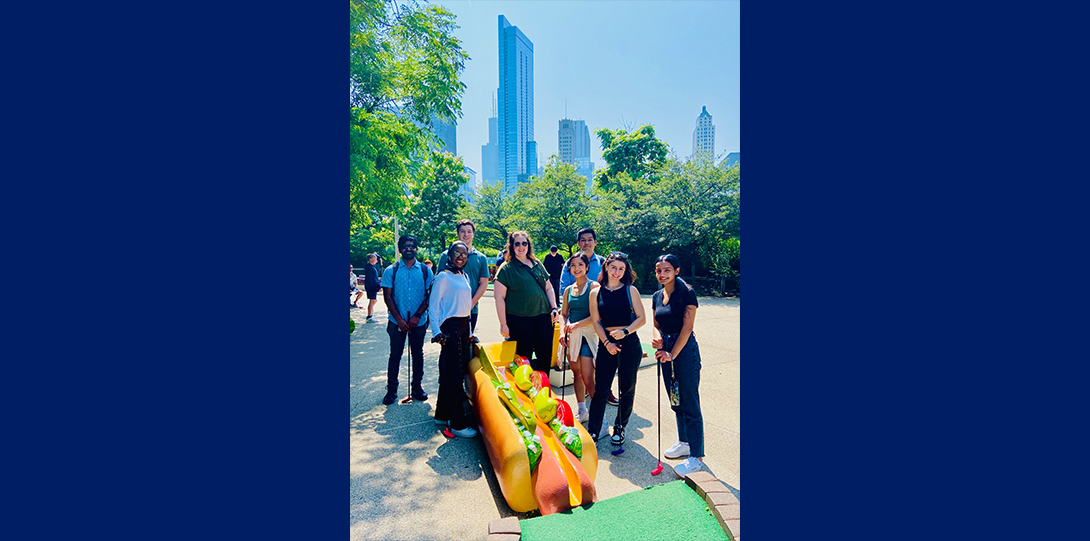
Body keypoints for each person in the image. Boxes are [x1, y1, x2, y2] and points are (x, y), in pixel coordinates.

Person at [651, 254, 706, 477]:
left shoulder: (687, 293)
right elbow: (656, 324)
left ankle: (697, 456)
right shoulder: (656, 295)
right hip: (665, 351)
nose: (662, 274)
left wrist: (672, 353)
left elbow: (687, 328)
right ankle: (684, 442)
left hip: (683, 351)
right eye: (658, 270)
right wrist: (656, 339)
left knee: (690, 401)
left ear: (677, 271)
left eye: (667, 270)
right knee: (675, 398)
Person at [586, 252, 646, 445]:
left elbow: (641, 318)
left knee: (627, 388)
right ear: (606, 268)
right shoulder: (596, 292)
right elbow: (596, 321)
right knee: (601, 388)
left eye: (621, 269)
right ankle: (593, 431)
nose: (617, 272)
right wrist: (607, 343)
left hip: (629, 344)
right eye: (613, 268)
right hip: (607, 344)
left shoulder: (631, 290)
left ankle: (620, 427)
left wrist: (626, 331)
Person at [557, 228, 618, 406]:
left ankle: (606, 393)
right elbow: (565, 294)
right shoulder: (570, 264)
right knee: (582, 370)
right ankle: (584, 404)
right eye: (582, 240)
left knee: (602, 365)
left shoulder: (603, 262)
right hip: (576, 321)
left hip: (600, 319)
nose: (586, 243)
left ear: (595, 242)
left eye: (590, 239)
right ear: (578, 243)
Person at [428, 241, 479, 438]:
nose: (461, 256)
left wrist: (471, 331)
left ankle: (442, 414)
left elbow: (466, 307)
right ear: (449, 256)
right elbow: (434, 307)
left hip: (464, 327)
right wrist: (436, 332)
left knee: (450, 372)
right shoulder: (443, 277)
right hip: (450, 329)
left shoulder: (464, 275)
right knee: (455, 375)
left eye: (464, 254)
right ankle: (457, 423)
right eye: (457, 253)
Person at [494, 231, 560, 374]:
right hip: (519, 320)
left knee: (544, 356)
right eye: (517, 244)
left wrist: (554, 307)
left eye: (524, 243)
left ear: (528, 245)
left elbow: (548, 287)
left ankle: (543, 390)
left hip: (542, 317)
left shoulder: (537, 263)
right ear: (511, 246)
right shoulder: (506, 268)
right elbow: (499, 298)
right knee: (524, 359)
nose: (521, 247)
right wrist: (503, 324)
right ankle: (526, 394)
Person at [380, 235, 434, 405]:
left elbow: (430, 295)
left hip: (418, 321)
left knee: (417, 354)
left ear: (416, 249)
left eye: (412, 246)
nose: (408, 249)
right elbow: (388, 297)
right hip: (397, 321)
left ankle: (417, 387)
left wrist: (418, 315)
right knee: (395, 355)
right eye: (405, 246)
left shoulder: (426, 271)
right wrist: (399, 319)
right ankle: (392, 390)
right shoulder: (392, 270)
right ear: (400, 249)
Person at [557, 252, 598, 424]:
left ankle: (598, 414)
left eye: (580, 264)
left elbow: (597, 316)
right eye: (573, 265)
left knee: (589, 378)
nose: (576, 268)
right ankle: (582, 410)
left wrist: (577, 325)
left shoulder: (594, 287)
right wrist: (562, 332)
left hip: (588, 335)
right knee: (576, 373)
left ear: (587, 267)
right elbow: (564, 314)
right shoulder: (568, 290)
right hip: (572, 336)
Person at [435, 219, 491, 333]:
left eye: (469, 231)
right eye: (463, 231)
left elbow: (484, 283)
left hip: (471, 309)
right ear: (457, 234)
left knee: (466, 344)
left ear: (474, 234)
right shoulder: (446, 256)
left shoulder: (481, 258)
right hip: (448, 309)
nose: (466, 235)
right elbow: (438, 281)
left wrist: (471, 303)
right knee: (448, 345)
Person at [364, 253, 381, 320]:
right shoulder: (370, 268)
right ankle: (369, 316)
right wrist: (377, 287)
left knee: (374, 300)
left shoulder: (371, 267)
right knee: (372, 300)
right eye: (375, 259)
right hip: (371, 287)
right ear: (370, 259)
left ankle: (370, 314)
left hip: (371, 286)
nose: (376, 260)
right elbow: (372, 279)